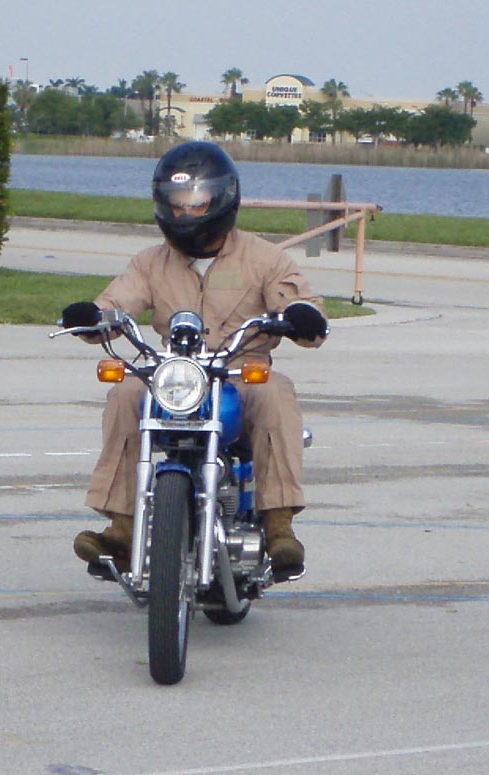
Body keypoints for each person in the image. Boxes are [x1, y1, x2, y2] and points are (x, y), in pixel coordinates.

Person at [60, 141, 329, 573]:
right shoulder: (150, 262)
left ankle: (279, 526)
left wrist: (301, 316)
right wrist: (94, 317)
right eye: (177, 202)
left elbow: (299, 302)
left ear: (222, 198)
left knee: (276, 393)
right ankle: (123, 529)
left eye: (196, 202)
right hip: (176, 375)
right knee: (125, 391)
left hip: (240, 372)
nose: (186, 212)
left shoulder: (265, 258)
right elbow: (117, 303)